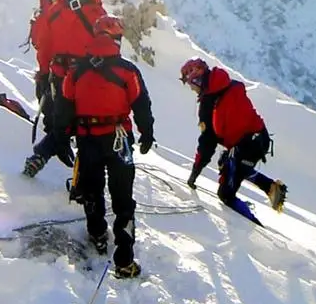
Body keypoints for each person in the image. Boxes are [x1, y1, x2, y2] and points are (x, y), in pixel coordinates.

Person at [52, 14, 154, 279]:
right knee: (123, 200)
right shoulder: (127, 70)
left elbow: (64, 108)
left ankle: (97, 234)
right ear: (116, 40)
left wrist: (62, 136)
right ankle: (124, 260)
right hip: (120, 140)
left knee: (92, 191)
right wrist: (147, 132)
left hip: (87, 139)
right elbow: (141, 103)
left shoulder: (76, 72)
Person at [24, 0, 109, 177]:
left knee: (62, 121)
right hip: (85, 80)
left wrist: (44, 72)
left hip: (58, 74)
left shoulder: (60, 6)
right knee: (85, 127)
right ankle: (80, 178)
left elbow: (43, 40)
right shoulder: (101, 16)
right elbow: (107, 54)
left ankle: (41, 156)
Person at [179, 57, 288, 224]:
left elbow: (207, 143)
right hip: (260, 138)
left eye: (190, 83)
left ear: (197, 79)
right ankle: (271, 187)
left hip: (246, 146)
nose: (191, 88)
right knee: (230, 163)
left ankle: (255, 228)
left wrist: (195, 172)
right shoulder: (230, 83)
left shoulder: (208, 104)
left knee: (226, 193)